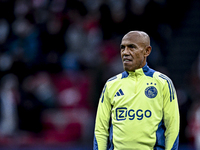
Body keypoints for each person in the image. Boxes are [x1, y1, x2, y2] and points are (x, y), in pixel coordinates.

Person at [93, 31, 180, 150]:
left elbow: (172, 128)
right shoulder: (111, 84)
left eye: (132, 47)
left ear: (147, 51)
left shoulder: (163, 83)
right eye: (123, 48)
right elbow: (101, 130)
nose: (125, 52)